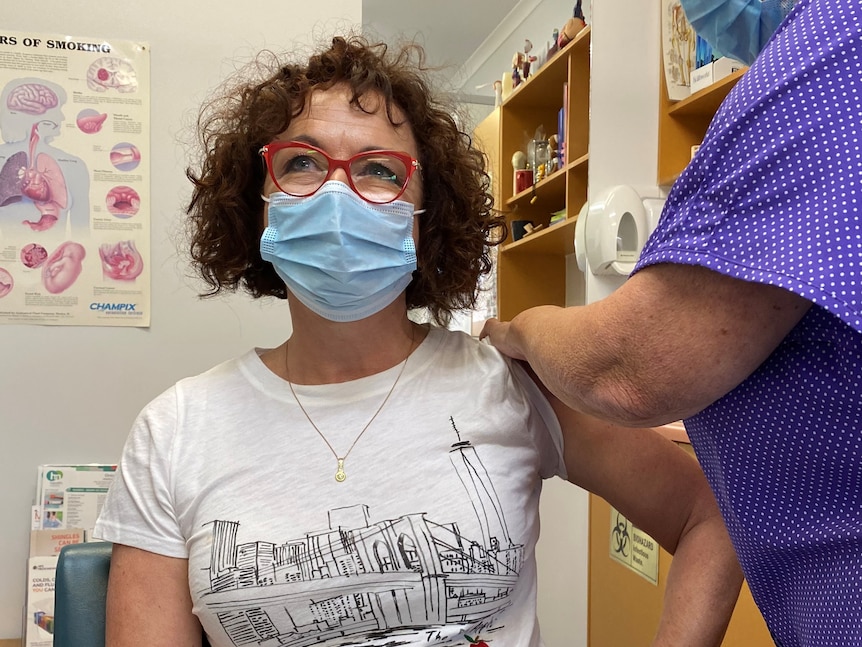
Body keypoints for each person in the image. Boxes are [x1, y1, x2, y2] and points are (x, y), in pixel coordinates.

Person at [92, 35, 742, 647]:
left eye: (378, 169)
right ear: (255, 201)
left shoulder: (508, 383)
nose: (337, 193)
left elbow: (712, 512)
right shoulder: (173, 433)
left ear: (427, 216)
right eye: (300, 162)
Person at [482, 0, 861, 645]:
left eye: (380, 170)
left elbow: (628, 370)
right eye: (302, 164)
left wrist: (517, 329)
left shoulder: (837, 49)